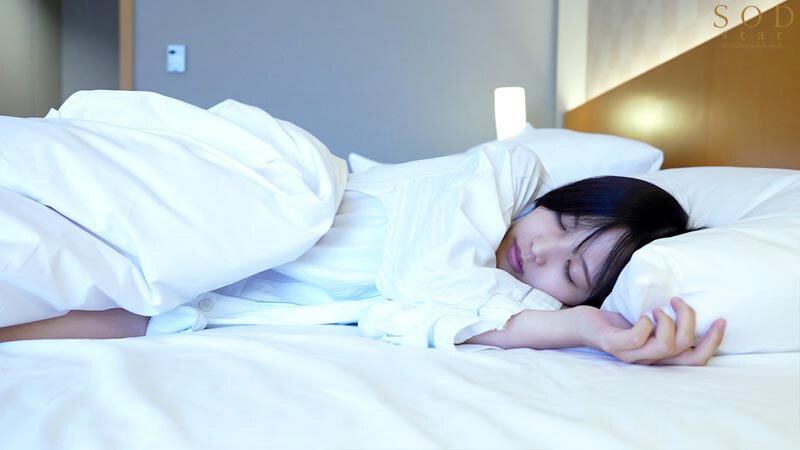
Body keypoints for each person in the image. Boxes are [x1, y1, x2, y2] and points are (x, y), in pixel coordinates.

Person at [0, 91, 726, 367]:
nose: (539, 248)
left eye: (569, 271)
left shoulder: (496, 304)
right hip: (258, 197)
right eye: (562, 221)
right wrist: (563, 318)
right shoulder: (499, 175)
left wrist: (588, 329)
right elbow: (425, 281)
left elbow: (409, 317)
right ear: (554, 195)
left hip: (231, 287)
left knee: (139, 308)